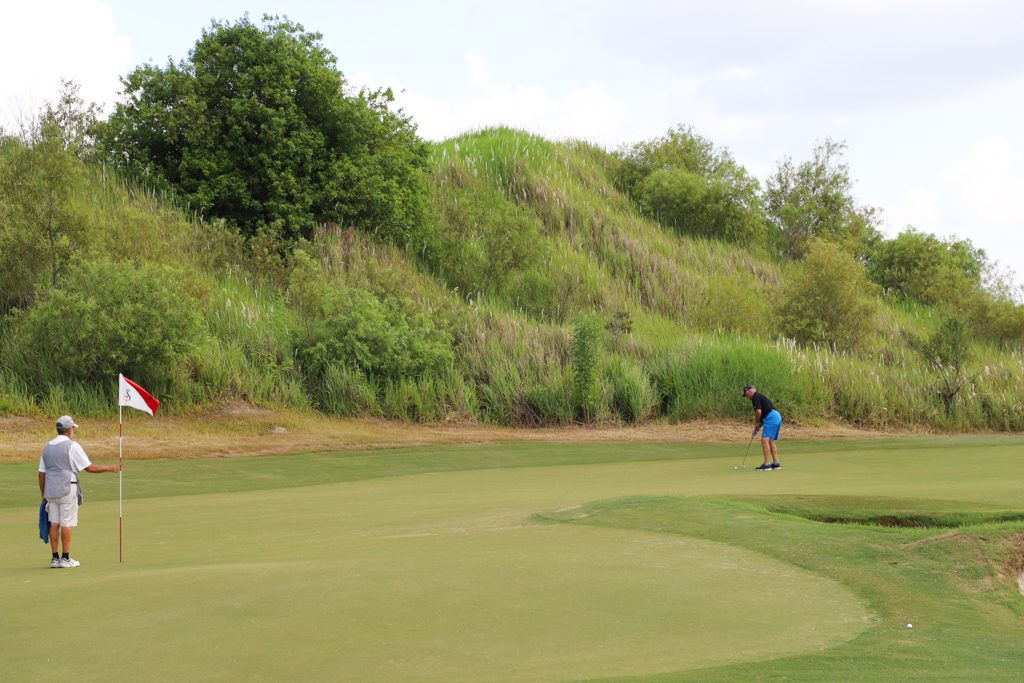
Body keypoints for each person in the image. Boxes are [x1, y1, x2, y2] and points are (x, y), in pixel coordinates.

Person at [38, 415, 119, 568]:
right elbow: (89, 468)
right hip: (67, 488)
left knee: (54, 523)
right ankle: (66, 558)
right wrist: (110, 468)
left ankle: (55, 559)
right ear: (69, 430)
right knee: (66, 522)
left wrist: (43, 495)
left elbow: (42, 474)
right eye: (72, 428)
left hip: (51, 490)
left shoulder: (47, 447)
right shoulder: (72, 446)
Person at [742, 386, 782, 471]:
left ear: (749, 392)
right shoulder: (759, 396)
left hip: (771, 417)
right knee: (770, 440)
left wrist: (756, 422)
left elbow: (758, 412)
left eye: (746, 395)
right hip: (776, 416)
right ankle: (776, 463)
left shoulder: (755, 397)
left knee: (765, 440)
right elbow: (762, 419)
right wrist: (756, 428)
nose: (747, 397)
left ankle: (767, 464)